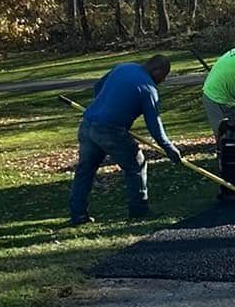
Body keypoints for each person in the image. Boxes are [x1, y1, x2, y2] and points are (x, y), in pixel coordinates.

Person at [68, 55, 183, 226]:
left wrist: (103, 106)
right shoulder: (147, 89)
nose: (163, 80)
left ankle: (77, 215)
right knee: (136, 165)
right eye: (164, 76)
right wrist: (168, 147)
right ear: (156, 70)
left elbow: (98, 86)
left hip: (87, 124)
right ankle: (139, 210)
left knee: (85, 170)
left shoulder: (124, 67)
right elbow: (154, 123)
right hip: (110, 130)